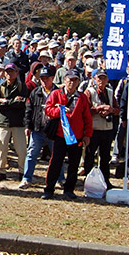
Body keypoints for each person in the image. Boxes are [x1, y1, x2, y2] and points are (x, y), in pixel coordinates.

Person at [42, 71, 92, 200]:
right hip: (60, 135)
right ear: (64, 80)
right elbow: (48, 109)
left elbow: (87, 117)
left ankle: (69, 189)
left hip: (77, 136)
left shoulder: (82, 97)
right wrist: (59, 111)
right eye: (70, 79)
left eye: (75, 80)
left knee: (74, 164)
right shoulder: (56, 94)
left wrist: (87, 134)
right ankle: (49, 189)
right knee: (56, 163)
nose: (72, 82)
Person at [19, 64, 58, 189]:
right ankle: (26, 178)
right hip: (37, 129)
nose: (44, 80)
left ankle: (60, 179)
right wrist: (27, 126)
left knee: (57, 155)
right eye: (42, 78)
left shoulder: (58, 92)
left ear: (52, 78)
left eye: (47, 78)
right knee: (31, 154)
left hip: (54, 130)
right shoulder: (35, 92)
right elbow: (28, 110)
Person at [82, 68, 118, 189]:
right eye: (99, 78)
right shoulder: (89, 92)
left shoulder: (110, 92)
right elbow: (85, 111)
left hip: (107, 129)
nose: (102, 81)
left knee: (105, 157)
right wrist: (100, 109)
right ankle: (88, 179)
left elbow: (118, 110)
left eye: (104, 78)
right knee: (90, 156)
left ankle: (105, 180)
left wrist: (111, 110)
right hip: (93, 128)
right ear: (94, 79)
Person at [0, 63, 29, 182]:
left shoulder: (22, 87)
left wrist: (7, 102)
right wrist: (13, 102)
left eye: (12, 71)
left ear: (17, 73)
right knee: (2, 148)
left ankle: (22, 171)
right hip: (3, 122)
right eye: (7, 72)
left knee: (21, 149)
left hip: (18, 122)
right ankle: (1, 171)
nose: (9, 74)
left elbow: (23, 103)